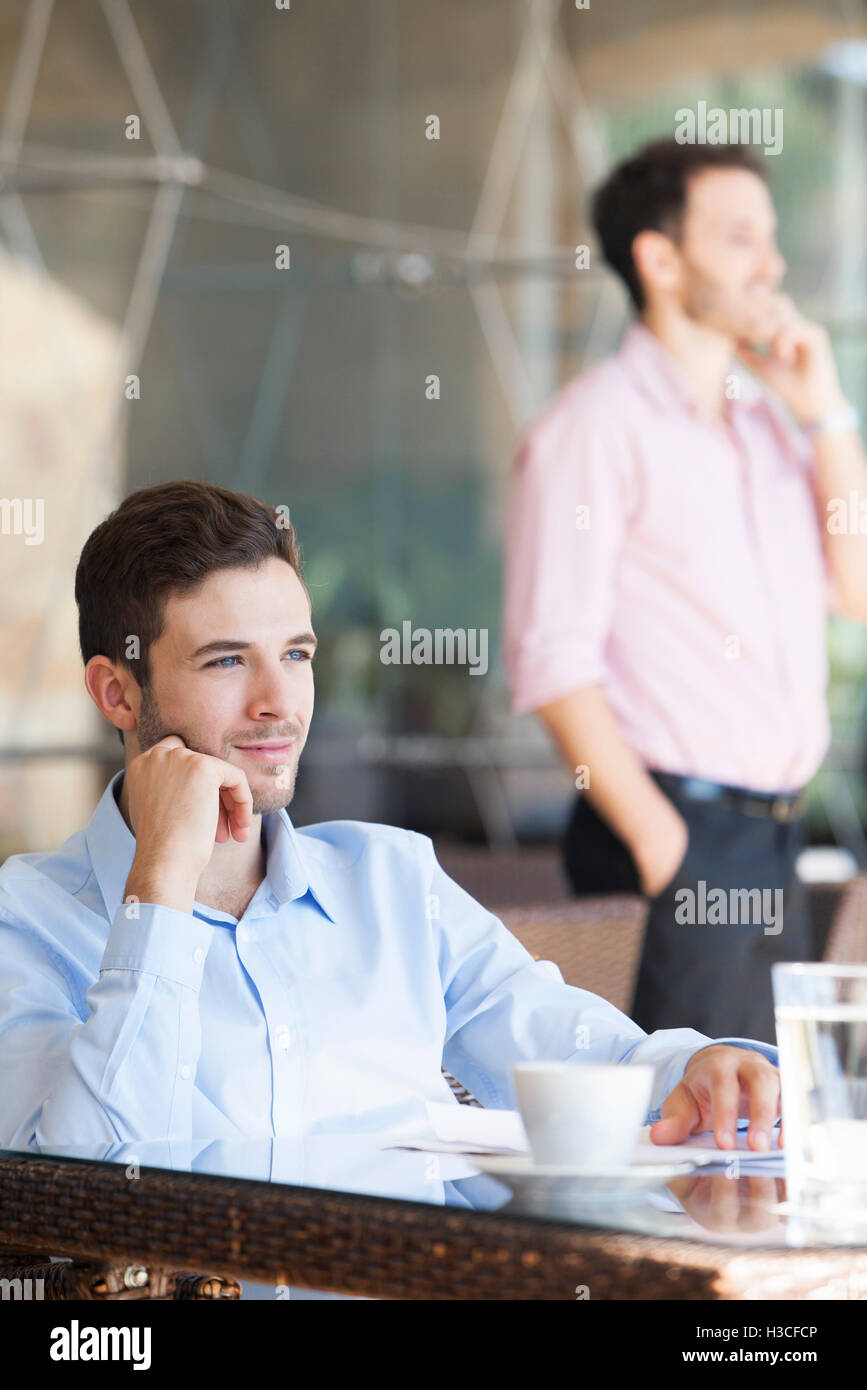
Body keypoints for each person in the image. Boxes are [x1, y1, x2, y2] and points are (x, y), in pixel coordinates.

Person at [0, 481, 783, 1157]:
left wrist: (697, 1067)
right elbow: (84, 1184)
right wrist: (160, 889)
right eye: (227, 660)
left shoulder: (393, 880)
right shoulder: (27, 920)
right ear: (117, 693)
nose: (279, 701)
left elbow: (567, 1042)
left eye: (297, 655)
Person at [503, 139, 867, 1044]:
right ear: (660, 260)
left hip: (773, 837)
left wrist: (824, 415)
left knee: (758, 1136)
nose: (770, 263)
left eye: (768, 237)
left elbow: (858, 589)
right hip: (676, 834)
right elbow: (551, 662)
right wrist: (663, 846)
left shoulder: (768, 429)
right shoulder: (593, 428)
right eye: (739, 237)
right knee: (678, 1154)